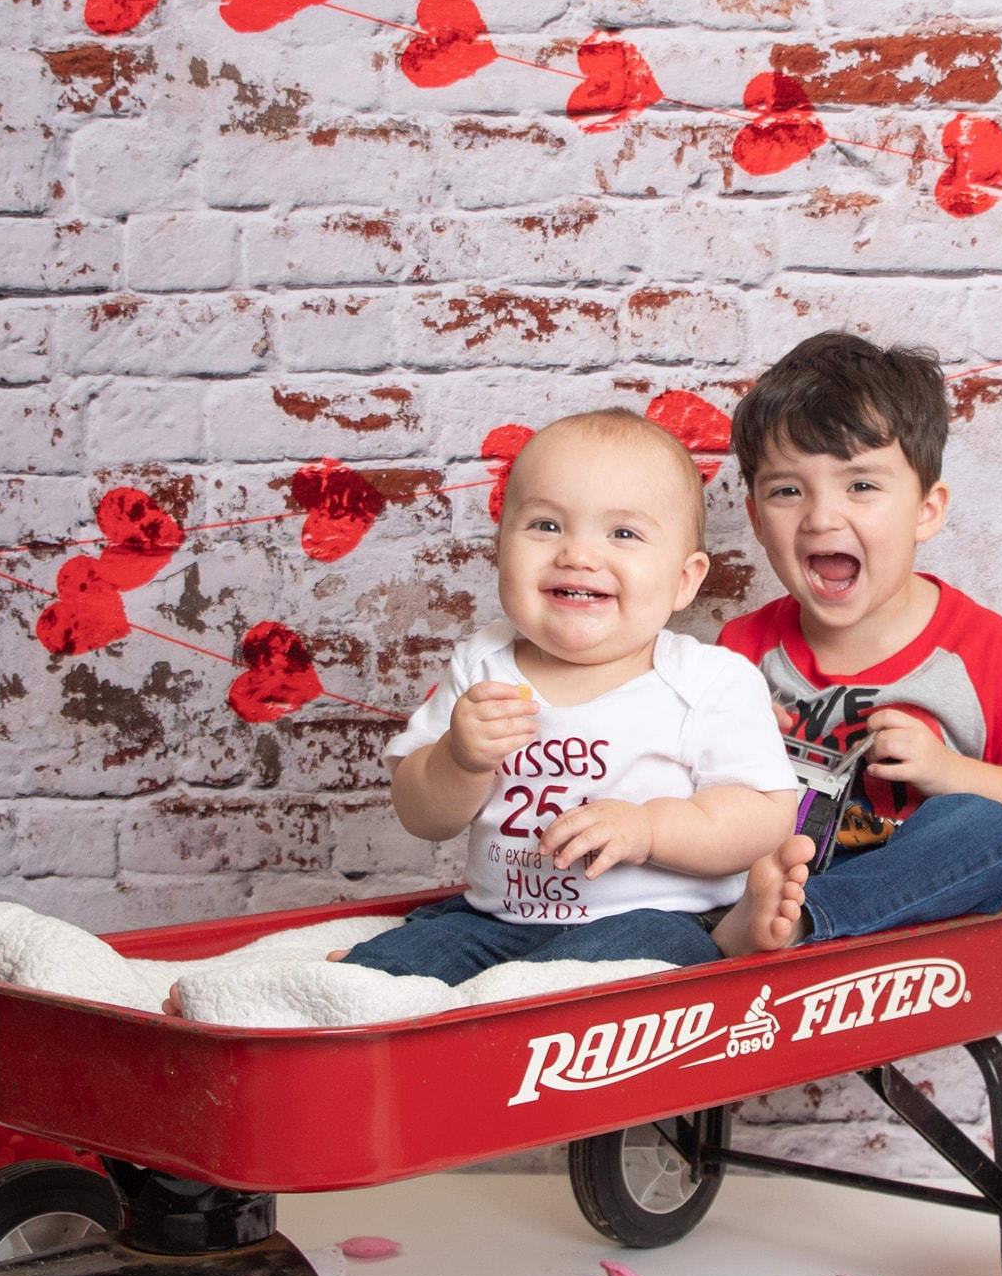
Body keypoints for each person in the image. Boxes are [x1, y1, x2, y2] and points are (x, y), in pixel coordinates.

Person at [331, 408, 800, 985]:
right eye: (546, 525)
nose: (577, 554)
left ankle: (537, 989)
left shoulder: (707, 681)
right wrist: (458, 758)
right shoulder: (483, 665)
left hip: (653, 916)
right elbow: (423, 817)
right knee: (391, 968)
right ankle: (370, 989)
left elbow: (765, 816)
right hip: (496, 921)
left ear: (684, 580)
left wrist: (649, 829)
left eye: (623, 534)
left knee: (615, 966)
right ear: (499, 550)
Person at [705, 331, 1002, 956]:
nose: (821, 517)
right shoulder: (743, 647)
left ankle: (806, 923)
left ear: (926, 510)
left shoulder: (986, 652)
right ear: (755, 517)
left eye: (861, 486)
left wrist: (949, 772)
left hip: (901, 908)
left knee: (989, 831)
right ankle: (759, 921)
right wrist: (726, 742)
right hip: (767, 878)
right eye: (787, 490)